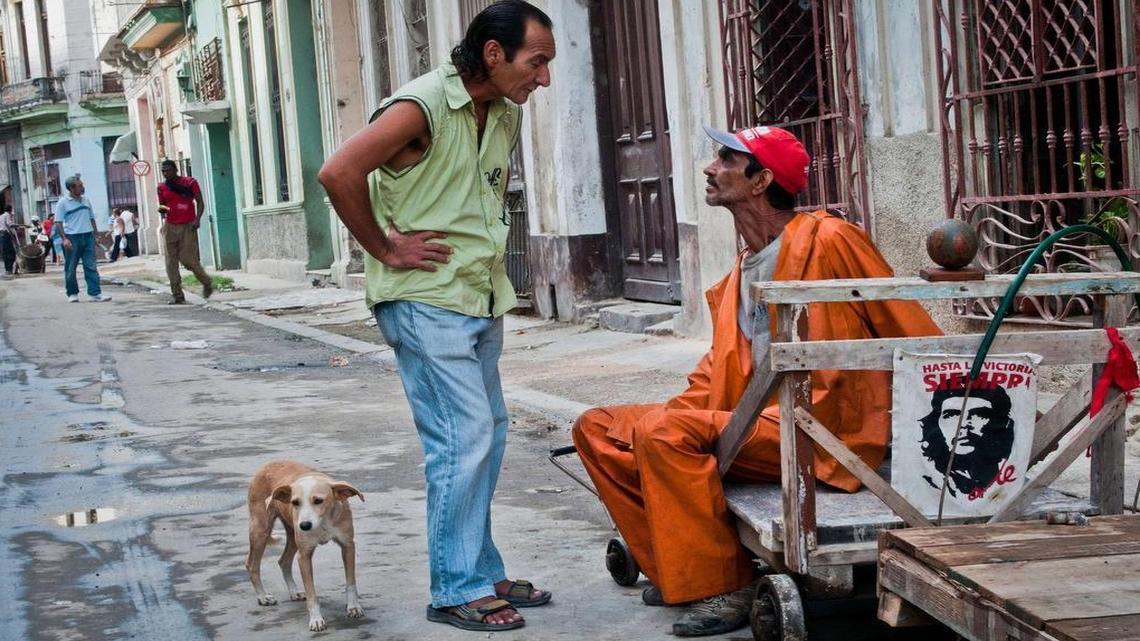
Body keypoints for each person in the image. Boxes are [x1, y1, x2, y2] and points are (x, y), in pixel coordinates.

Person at [571, 125, 942, 637]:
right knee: (599, 426)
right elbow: (720, 368)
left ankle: (725, 585)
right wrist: (675, 412)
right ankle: (682, 569)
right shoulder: (745, 266)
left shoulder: (830, 238)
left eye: (726, 158)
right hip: (751, 423)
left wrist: (977, 397)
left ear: (761, 179)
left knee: (662, 435)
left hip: (821, 431)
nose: (710, 167)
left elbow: (905, 322)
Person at [318, 0, 554, 632]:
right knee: (461, 440)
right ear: (494, 53)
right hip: (425, 301)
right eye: (537, 62)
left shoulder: (501, 110)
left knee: (487, 435)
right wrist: (385, 249)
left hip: (478, 295)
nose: (545, 78)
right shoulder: (420, 106)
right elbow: (339, 172)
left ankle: (479, 569)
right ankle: (455, 588)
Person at [919, 385, 1015, 498]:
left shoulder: (1006, 468)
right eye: (952, 415)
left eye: (979, 414)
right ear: (936, 423)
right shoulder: (925, 478)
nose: (964, 424)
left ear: (1000, 423)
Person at [157, 160, 213, 303]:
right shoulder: (162, 187)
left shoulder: (190, 182)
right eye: (163, 171)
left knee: (189, 261)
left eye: (168, 170)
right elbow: (162, 205)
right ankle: (177, 295)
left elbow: (200, 202)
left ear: (175, 170)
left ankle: (206, 282)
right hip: (170, 226)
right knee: (171, 262)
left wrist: (197, 219)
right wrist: (164, 216)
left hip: (188, 226)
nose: (165, 173)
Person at [55, 175, 112, 302]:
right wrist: (64, 239)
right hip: (72, 238)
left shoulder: (86, 200)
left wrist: (96, 235)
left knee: (91, 266)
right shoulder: (63, 203)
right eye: (80, 186)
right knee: (71, 267)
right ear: (71, 188)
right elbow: (58, 222)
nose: (82, 187)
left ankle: (94, 293)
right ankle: (72, 294)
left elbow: (91, 218)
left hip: (88, 236)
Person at [0, 205, 16, 275]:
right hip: (6, 234)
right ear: (10, 209)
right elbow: (10, 224)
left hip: (2, 234)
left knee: (5, 252)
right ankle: (9, 268)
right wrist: (19, 225)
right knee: (11, 252)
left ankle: (8, 269)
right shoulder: (8, 215)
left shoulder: (1, 216)